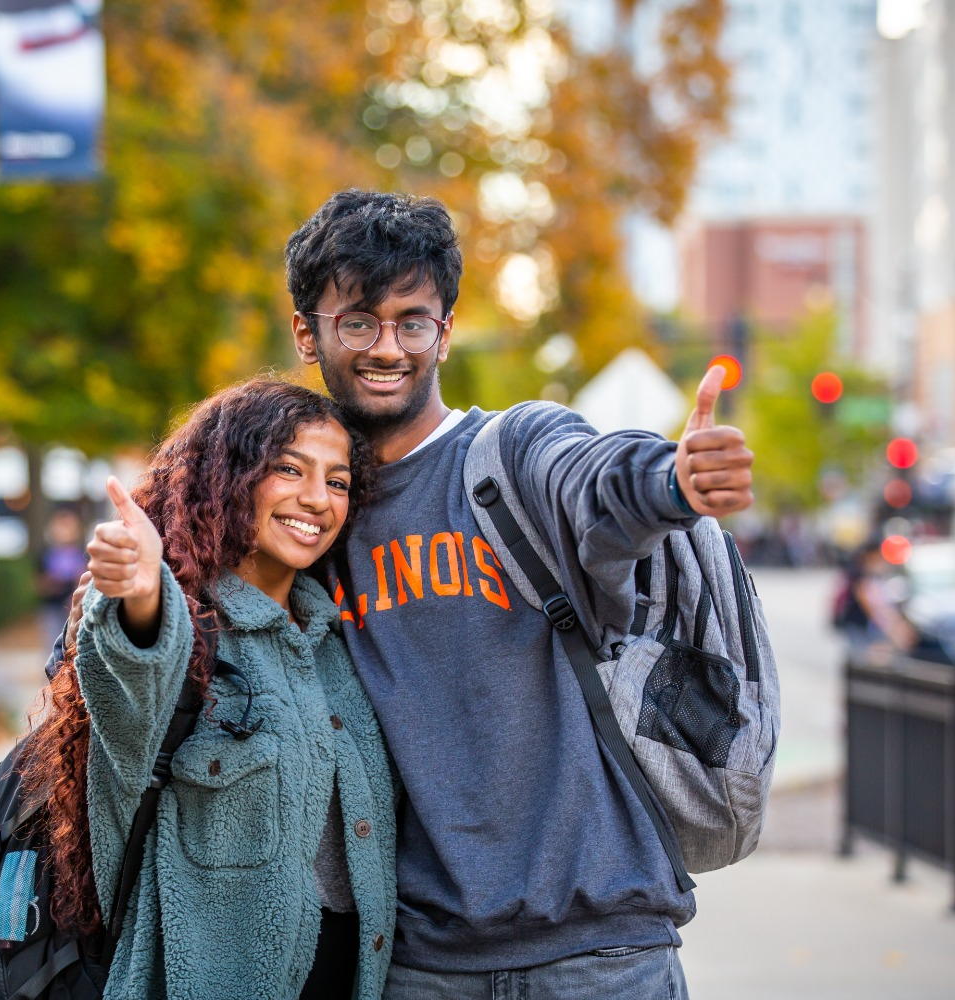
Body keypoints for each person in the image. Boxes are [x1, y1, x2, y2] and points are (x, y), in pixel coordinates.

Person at [282, 189, 756, 997]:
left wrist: (672, 479)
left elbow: (598, 481)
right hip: (420, 966)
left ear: (447, 330)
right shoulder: (307, 509)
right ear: (308, 332)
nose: (387, 346)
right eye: (358, 321)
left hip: (603, 955)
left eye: (413, 320)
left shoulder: (512, 455)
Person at [21, 378, 396, 999]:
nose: (317, 499)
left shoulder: (340, 644)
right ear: (229, 477)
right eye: (288, 469)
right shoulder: (188, 630)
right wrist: (141, 594)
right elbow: (133, 681)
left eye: (337, 481)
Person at [36, 506, 88, 651]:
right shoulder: (45, 554)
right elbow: (40, 583)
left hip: (74, 608)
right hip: (52, 607)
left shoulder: (82, 553)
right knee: (52, 647)